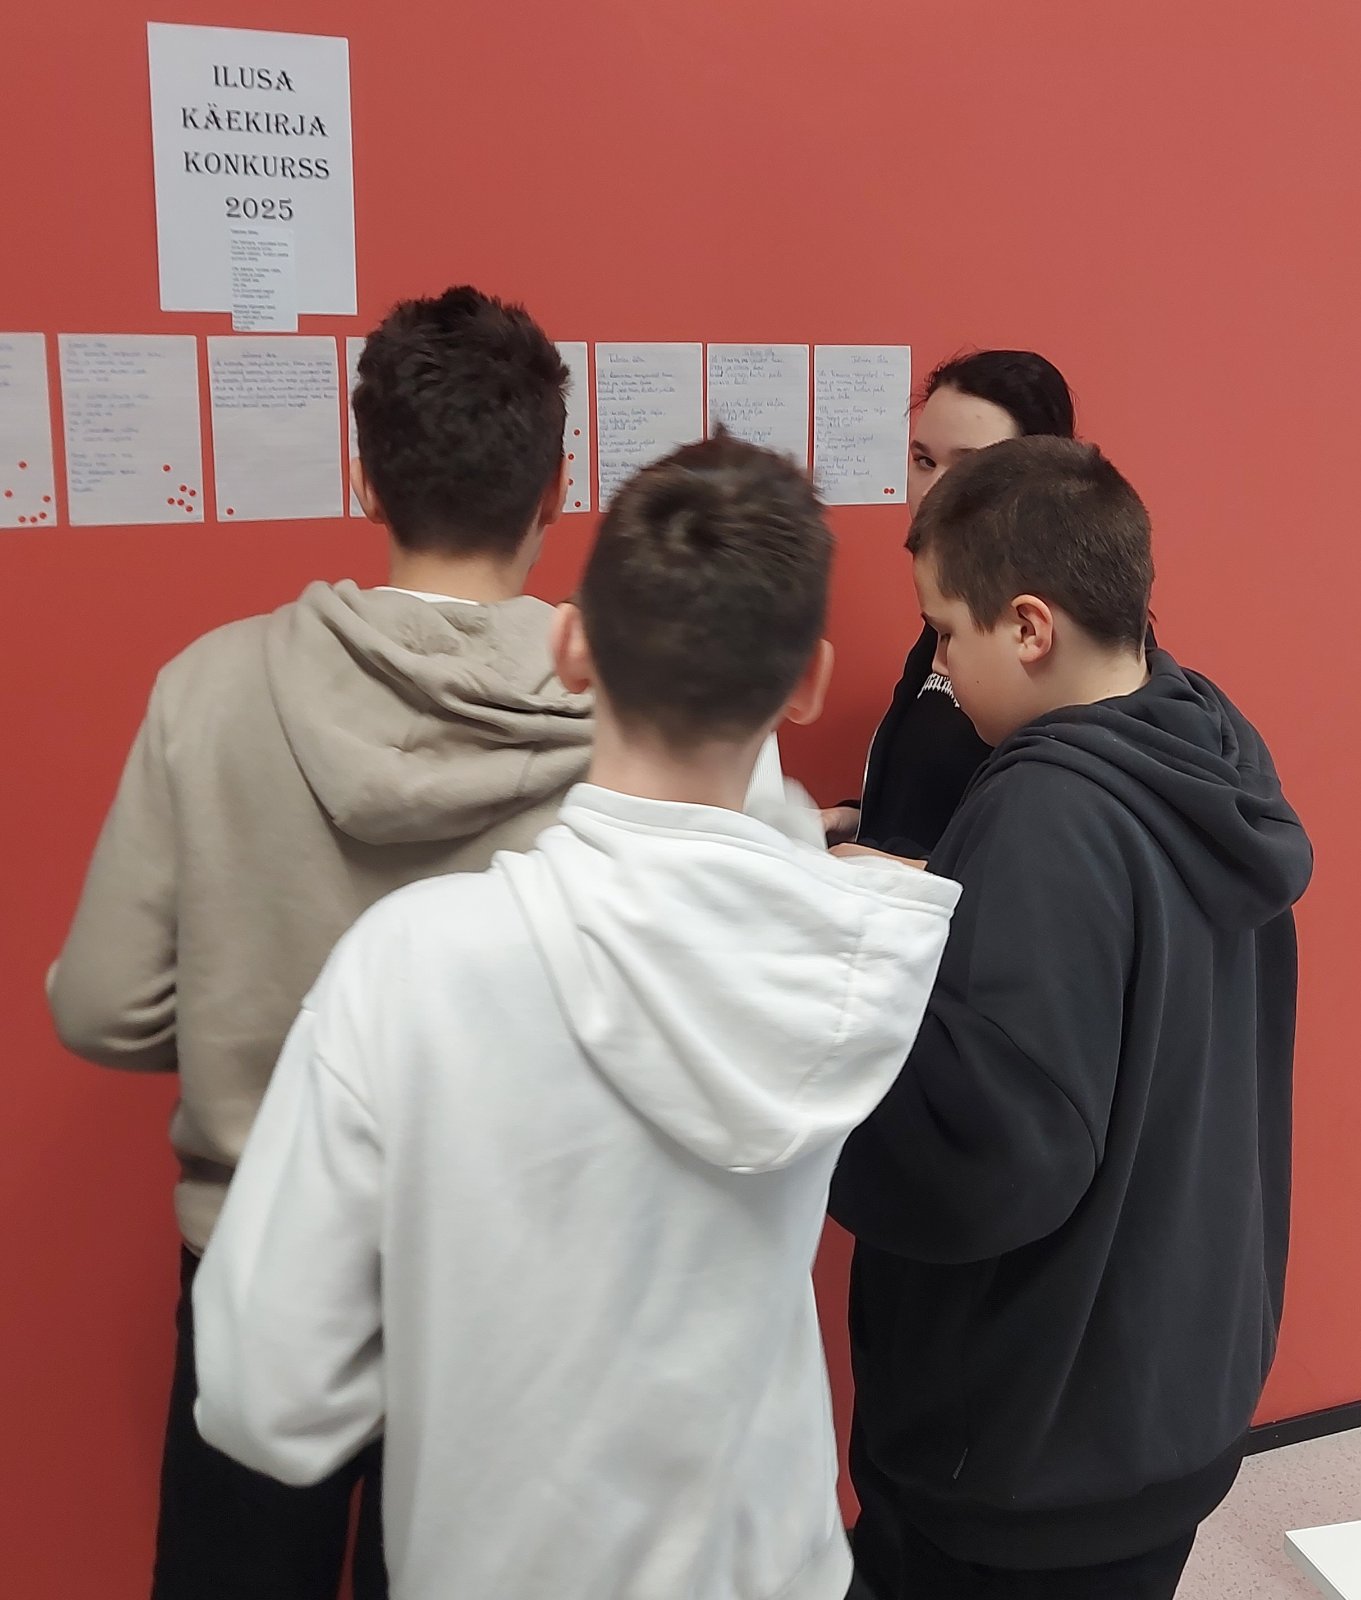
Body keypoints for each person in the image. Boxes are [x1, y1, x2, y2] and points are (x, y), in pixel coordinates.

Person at [190, 432, 962, 1600]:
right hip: (769, 1564)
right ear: (807, 681)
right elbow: (747, 839)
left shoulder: (412, 965)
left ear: (569, 647)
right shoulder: (846, 948)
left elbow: (267, 1395)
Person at [46, 286, 598, 1600]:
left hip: (263, 1251)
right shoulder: (631, 714)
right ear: (556, 487)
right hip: (511, 1276)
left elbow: (101, 1006)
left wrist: (253, 1008)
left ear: (363, 477)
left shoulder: (209, 684)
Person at [829, 436, 1312, 1599]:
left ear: (1028, 627)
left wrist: (819, 1087)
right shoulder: (1206, 745)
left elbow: (986, 1158)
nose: (938, 669)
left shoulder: (1043, 808)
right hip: (1166, 1391)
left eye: (944, 634)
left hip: (1024, 1451)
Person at [822, 350, 1076, 857]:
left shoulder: (1070, 646)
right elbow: (940, 801)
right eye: (924, 461)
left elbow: (1044, 865)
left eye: (970, 468)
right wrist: (856, 822)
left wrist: (902, 871)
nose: (934, 492)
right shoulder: (951, 614)